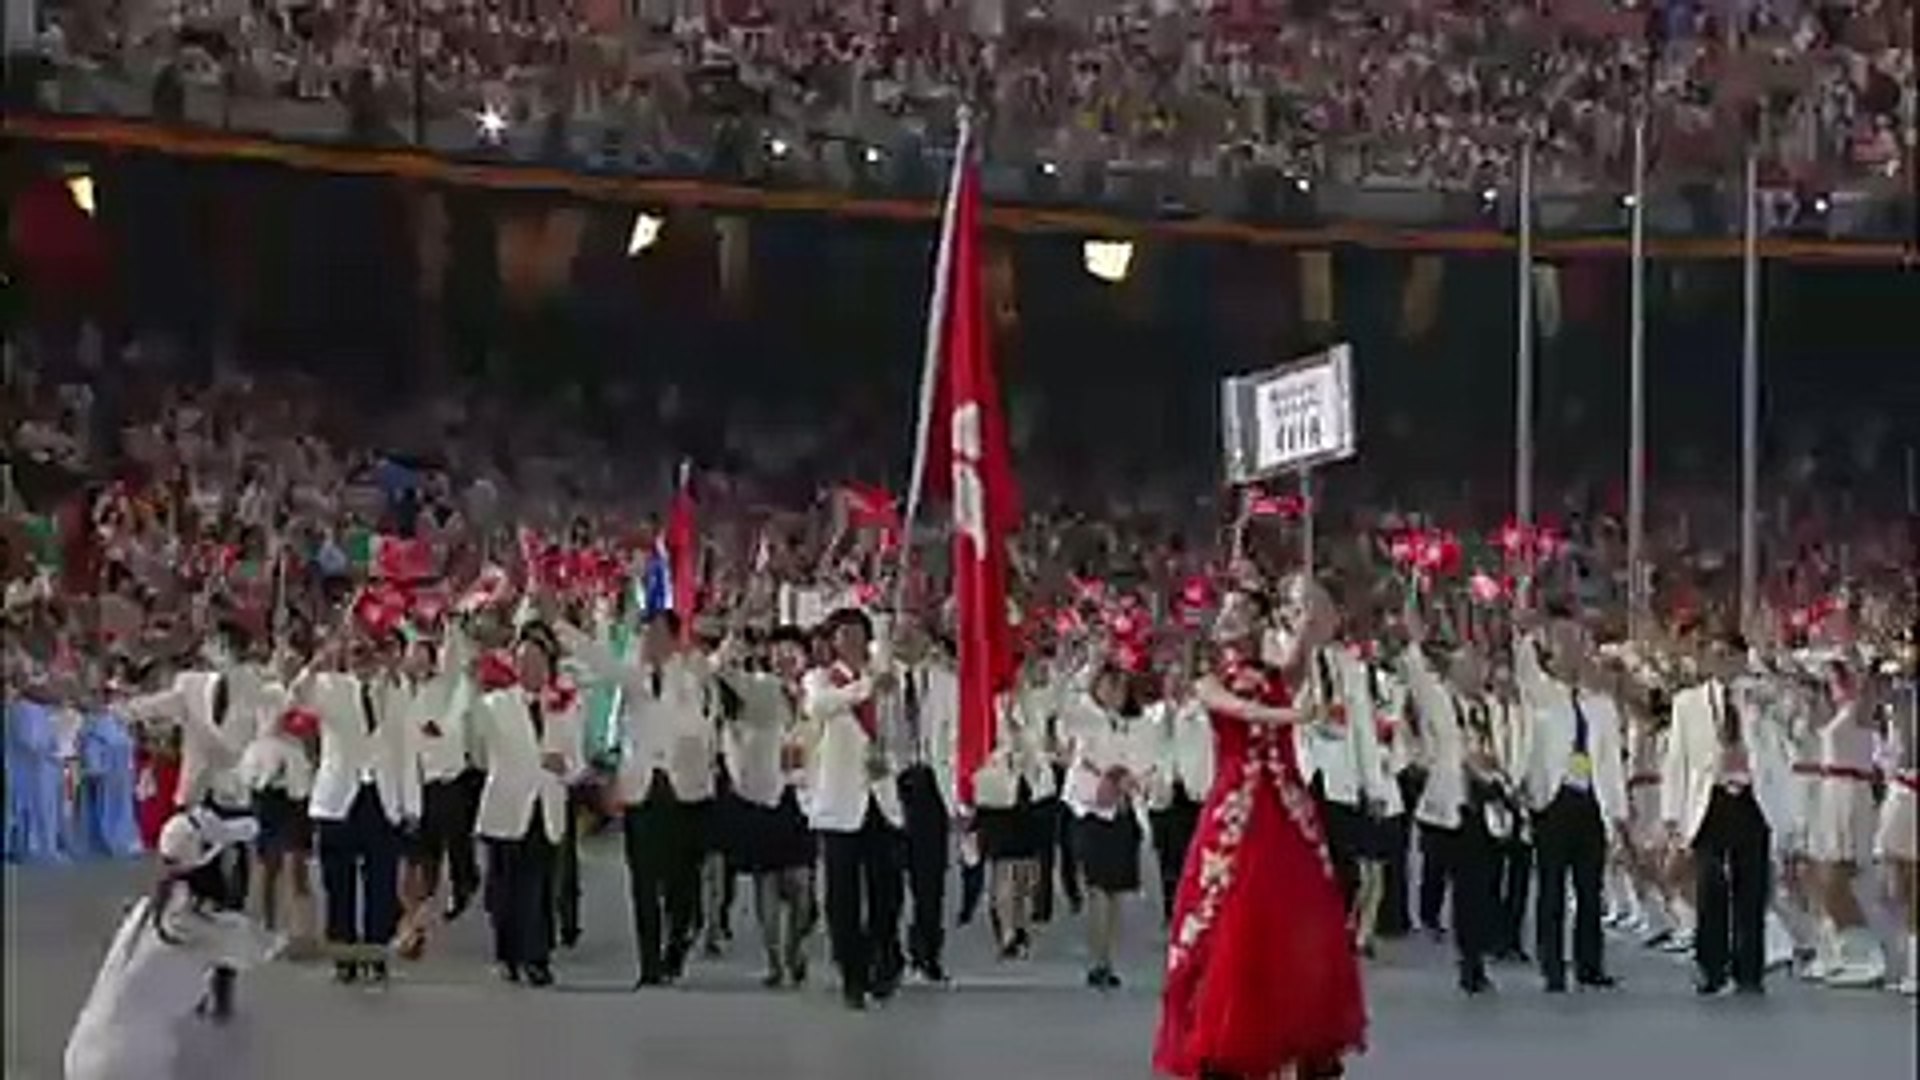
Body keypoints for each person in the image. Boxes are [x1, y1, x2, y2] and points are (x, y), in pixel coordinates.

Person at [1154, 581, 1365, 1080]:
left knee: (1299, 910)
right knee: (1228, 917)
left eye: (1239, 612)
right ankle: (1224, 1034)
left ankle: (1297, 1034)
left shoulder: (1274, 670)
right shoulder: (1207, 680)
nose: (1228, 619)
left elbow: (1302, 653)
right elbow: (1240, 711)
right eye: (1224, 612)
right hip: (1237, 808)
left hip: (1283, 802)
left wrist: (1312, 619)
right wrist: (1290, 714)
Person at [64, 808, 283, 1080]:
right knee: (242, 1046)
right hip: (131, 1061)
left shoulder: (157, 902)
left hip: (89, 1047)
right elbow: (265, 945)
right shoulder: (197, 923)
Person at [558, 608, 714, 987]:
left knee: (683, 883)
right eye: (645, 635)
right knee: (643, 879)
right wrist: (559, 623)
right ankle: (649, 963)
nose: (649, 642)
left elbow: (700, 719)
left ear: (674, 639)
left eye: (657, 635)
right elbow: (600, 660)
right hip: (641, 791)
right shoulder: (633, 676)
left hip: (684, 790)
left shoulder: (692, 676)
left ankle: (678, 940)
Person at [1662, 630, 1793, 995]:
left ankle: (1748, 969)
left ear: (1741, 659)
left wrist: (1764, 706)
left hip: (1751, 800)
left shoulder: (1760, 700)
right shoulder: (1687, 703)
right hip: (1709, 801)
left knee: (1751, 889)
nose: (1723, 663)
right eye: (1716, 655)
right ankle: (1710, 966)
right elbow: (1677, 761)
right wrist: (1672, 816)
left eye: (1730, 656)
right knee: (1710, 884)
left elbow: (1783, 743)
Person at [292, 632, 422, 985]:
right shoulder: (330, 687)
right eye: (357, 653)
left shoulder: (397, 689)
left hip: (382, 798)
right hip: (339, 799)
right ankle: (344, 954)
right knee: (339, 883)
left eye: (371, 652)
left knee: (381, 882)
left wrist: (412, 805)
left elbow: (407, 749)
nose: (365, 659)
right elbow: (298, 699)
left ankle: (376, 953)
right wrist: (316, 665)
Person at [1517, 616, 1629, 993]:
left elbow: (1611, 761)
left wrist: (1618, 812)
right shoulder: (1542, 694)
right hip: (1554, 799)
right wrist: (1527, 624)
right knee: (1550, 886)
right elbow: (1524, 666)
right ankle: (1551, 965)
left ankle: (1589, 964)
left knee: (1589, 888)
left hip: (1590, 802)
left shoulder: (1601, 705)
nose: (1574, 653)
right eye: (1566, 645)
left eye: (1580, 645)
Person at [802, 607, 906, 1010]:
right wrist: (866, 687)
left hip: (881, 798)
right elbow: (821, 707)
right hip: (840, 801)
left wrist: (890, 759)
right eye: (841, 634)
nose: (850, 641)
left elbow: (901, 732)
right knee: (842, 897)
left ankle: (886, 956)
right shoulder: (820, 680)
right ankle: (852, 972)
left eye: (856, 633)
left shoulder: (887, 679)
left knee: (887, 890)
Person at [471, 622, 585, 987]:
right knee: (505, 889)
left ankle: (538, 957)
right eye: (523, 662)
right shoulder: (495, 705)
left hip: (546, 805)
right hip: (506, 806)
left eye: (537, 661)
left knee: (539, 885)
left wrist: (565, 767)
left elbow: (579, 761)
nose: (530, 668)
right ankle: (508, 954)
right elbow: (477, 748)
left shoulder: (564, 705)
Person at [714, 627, 820, 988]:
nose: (786, 657)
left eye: (794, 651)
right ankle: (775, 959)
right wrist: (736, 633)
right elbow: (723, 670)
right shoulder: (759, 689)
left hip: (804, 798)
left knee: (802, 886)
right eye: (779, 651)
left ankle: (795, 947)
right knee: (768, 882)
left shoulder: (817, 690)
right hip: (765, 794)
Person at [1061, 661, 1149, 991]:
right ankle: (1098, 960)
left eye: (1120, 688)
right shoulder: (1085, 718)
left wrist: (1134, 779)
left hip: (1122, 813)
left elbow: (1144, 762)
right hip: (1090, 811)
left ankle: (1107, 958)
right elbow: (1072, 724)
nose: (1114, 693)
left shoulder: (1133, 725)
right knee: (1096, 888)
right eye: (1109, 686)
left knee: (1115, 893)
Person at [1801, 657, 1889, 986]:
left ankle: (1870, 952)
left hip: (1851, 792)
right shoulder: (1831, 709)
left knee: (1836, 877)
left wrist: (1863, 663)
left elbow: (1869, 683)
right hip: (1828, 793)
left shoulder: (1861, 708)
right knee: (1820, 877)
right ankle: (1843, 949)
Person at [889, 618, 958, 984]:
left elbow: (959, 739)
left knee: (929, 878)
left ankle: (927, 953)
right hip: (891, 782)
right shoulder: (880, 680)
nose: (903, 641)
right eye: (897, 636)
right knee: (887, 876)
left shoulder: (948, 684)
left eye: (912, 635)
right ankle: (889, 953)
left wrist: (962, 798)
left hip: (931, 782)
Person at [972, 678, 1055, 958]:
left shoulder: (1035, 701)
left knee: (1025, 868)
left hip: (1030, 791)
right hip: (997, 793)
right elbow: (976, 746)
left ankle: (1018, 924)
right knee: (1004, 865)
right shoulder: (983, 703)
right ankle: (1006, 932)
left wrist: (1025, 736)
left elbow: (1044, 742)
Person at [1145, 665, 1211, 927]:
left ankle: (1190, 908)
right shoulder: (1153, 715)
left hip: (1192, 791)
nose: (1175, 686)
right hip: (1163, 793)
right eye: (1170, 681)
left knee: (1189, 853)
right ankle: (1171, 908)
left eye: (1180, 680)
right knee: (1166, 854)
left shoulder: (1201, 714)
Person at [1874, 663, 1916, 995]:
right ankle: (1906, 956)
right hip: (1900, 790)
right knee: (1893, 883)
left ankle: (1914, 965)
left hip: (1910, 788)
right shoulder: (1900, 694)